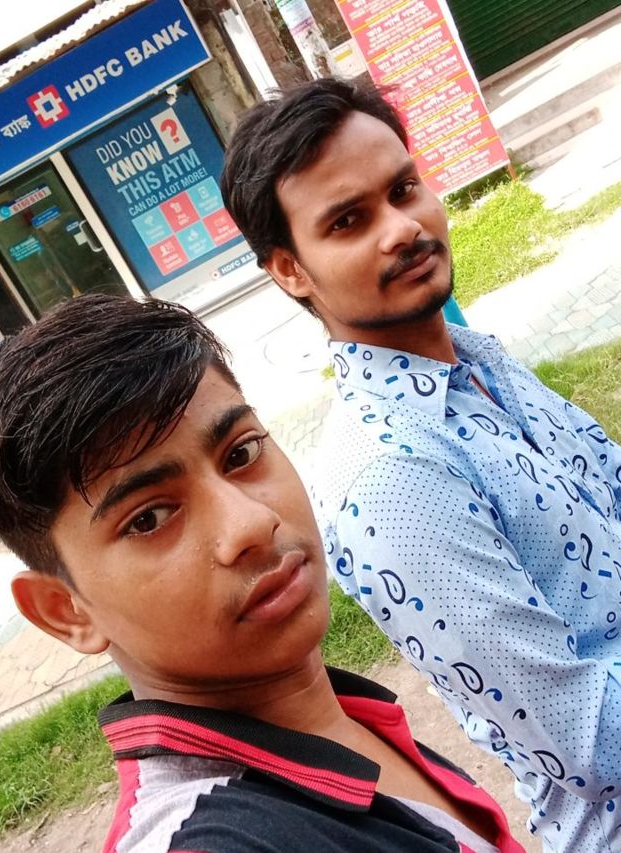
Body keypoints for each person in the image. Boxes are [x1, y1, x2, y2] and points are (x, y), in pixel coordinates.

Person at [220, 77, 621, 852]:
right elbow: (588, 739)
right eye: (348, 220)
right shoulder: (391, 476)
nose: (402, 228)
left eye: (403, 190)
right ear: (291, 269)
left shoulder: (478, 363)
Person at [0, 294, 525, 853]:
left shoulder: (334, 715)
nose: (252, 523)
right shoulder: (211, 840)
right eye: (149, 518)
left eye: (240, 455)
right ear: (65, 611)